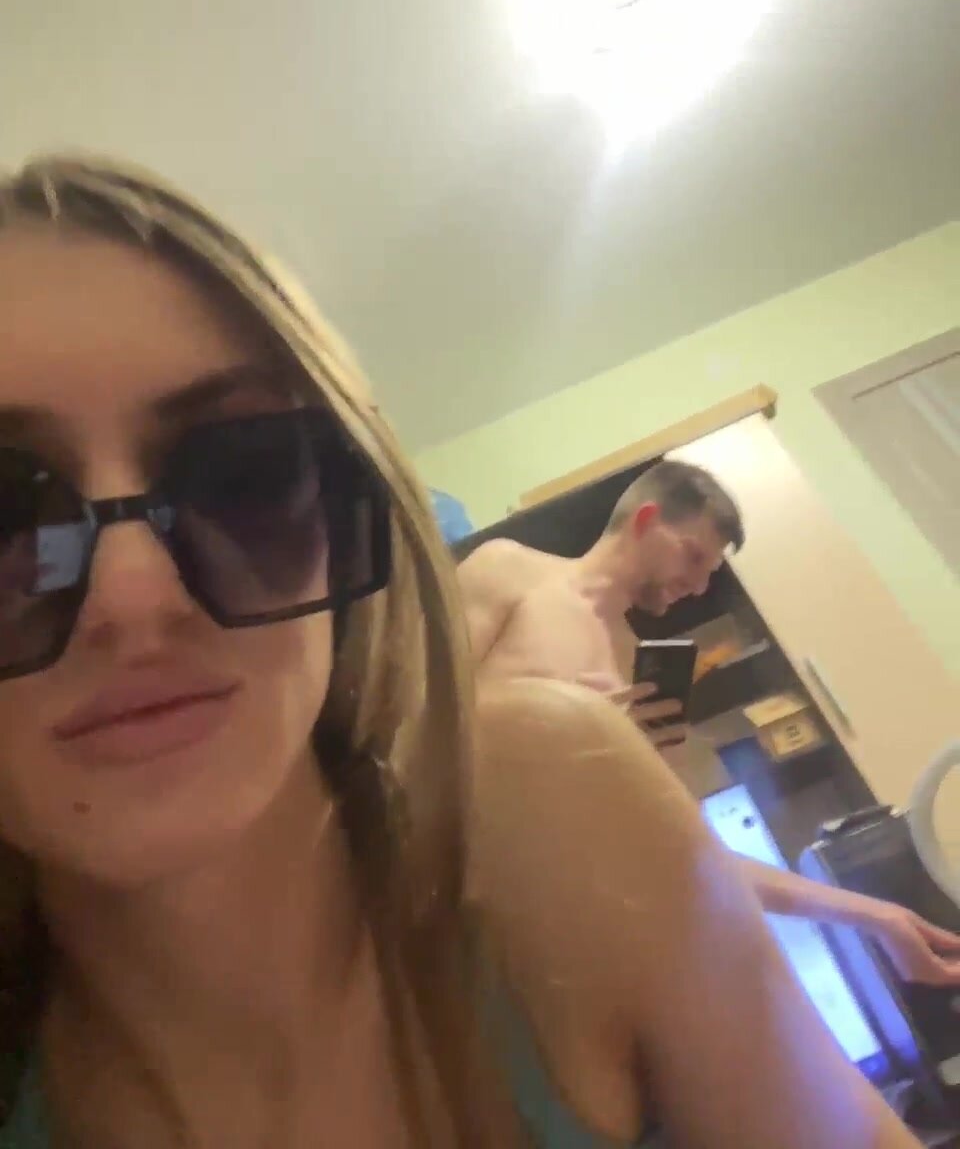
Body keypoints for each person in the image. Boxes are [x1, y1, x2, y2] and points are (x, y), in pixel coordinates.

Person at [0, 156, 923, 1149]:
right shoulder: (517, 588)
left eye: (247, 479)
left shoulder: (563, 771)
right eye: (6, 515)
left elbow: (655, 876)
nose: (135, 595)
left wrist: (853, 908)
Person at [458, 461, 960, 989]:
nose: (698, 586)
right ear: (645, 520)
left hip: (538, 937)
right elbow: (416, 731)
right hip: (443, 898)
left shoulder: (633, 669)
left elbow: (683, 850)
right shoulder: (510, 569)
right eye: (694, 556)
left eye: (710, 572)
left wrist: (874, 915)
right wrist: (570, 731)